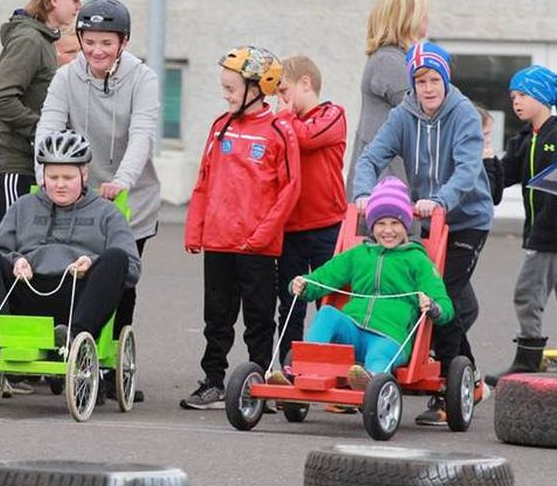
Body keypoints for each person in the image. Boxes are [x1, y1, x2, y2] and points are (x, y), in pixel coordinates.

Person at [353, 40, 493, 425]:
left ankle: (454, 387)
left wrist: (441, 199)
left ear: (445, 80)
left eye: (434, 80)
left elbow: (466, 169)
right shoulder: (404, 114)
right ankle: (468, 378)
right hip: (427, 220)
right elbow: (372, 155)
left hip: (466, 217)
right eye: (420, 81)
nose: (428, 88)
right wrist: (363, 192)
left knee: (437, 294)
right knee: (446, 299)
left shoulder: (462, 114)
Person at [36, 0, 160, 350]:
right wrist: (45, 174)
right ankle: (70, 348)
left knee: (120, 277)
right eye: (89, 42)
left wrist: (122, 181)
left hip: (129, 194)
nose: (97, 50)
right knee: (68, 270)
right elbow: (48, 127)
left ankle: (114, 358)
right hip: (79, 192)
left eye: (106, 43)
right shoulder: (66, 77)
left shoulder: (143, 78)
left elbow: (142, 136)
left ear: (123, 42)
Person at [180, 46, 301, 410]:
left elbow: (290, 190)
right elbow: (203, 180)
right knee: (216, 317)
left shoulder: (280, 130)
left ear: (256, 87)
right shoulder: (221, 126)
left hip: (257, 247)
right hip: (219, 241)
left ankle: (257, 382)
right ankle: (213, 381)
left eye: (232, 88)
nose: (226, 94)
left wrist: (262, 235)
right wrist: (195, 228)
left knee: (258, 318)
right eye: (225, 87)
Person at [0, 130, 139, 357]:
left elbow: (132, 268)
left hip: (77, 294)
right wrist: (17, 261)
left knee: (117, 258)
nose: (60, 185)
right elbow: (0, 251)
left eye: (68, 178)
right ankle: (2, 334)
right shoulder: (23, 206)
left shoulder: (107, 213)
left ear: (84, 174)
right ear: (43, 175)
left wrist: (92, 263)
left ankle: (72, 340)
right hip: (27, 287)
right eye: (53, 177)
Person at [273, 176, 454, 389]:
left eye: (395, 223)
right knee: (327, 314)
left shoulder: (417, 260)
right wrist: (304, 284)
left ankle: (371, 380)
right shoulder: (358, 255)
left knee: (379, 355)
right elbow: (324, 277)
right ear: (372, 226)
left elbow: (444, 303)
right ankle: (302, 371)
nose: (388, 230)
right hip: (353, 330)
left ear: (406, 225)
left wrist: (433, 307)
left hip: (389, 336)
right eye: (380, 224)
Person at [0, 0, 96, 235]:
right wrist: (45, 132)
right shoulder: (29, 40)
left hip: (29, 160)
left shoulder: (43, 39)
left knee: (31, 240)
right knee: (12, 240)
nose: (78, 6)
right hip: (9, 163)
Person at [485, 66, 557, 386]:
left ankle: (529, 359)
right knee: (529, 295)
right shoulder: (523, 140)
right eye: (513, 96)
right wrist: (486, 161)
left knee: (528, 294)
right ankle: (529, 358)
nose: (516, 101)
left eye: (523, 95)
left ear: (542, 96)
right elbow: (497, 184)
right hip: (539, 237)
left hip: (547, 236)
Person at [274, 55, 347, 365]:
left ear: (305, 83)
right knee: (290, 302)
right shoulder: (286, 121)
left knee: (330, 301)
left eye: (283, 90)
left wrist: (285, 118)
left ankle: (336, 368)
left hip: (327, 225)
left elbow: (305, 139)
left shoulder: (332, 114)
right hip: (290, 228)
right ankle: (291, 367)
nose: (280, 100)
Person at [347, 0, 430, 195]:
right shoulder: (390, 62)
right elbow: (428, 114)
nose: (427, 19)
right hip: (387, 184)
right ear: (406, 20)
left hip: (388, 178)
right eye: (422, 14)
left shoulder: (391, 58)